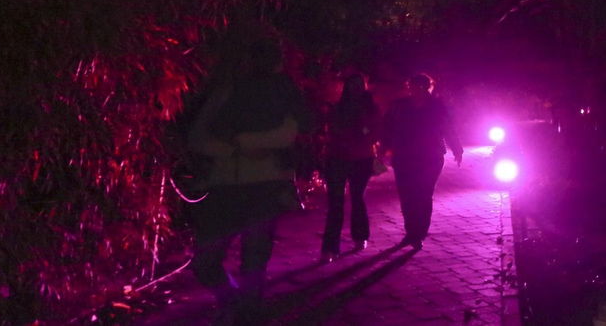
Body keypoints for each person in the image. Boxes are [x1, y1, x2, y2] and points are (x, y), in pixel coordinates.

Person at [188, 32, 315, 325]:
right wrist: (238, 146)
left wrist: (244, 142)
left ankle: (246, 314)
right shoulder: (225, 91)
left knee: (254, 263)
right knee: (206, 261)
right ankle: (235, 304)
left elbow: (294, 130)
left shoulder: (282, 89)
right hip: (224, 187)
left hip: (262, 186)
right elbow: (198, 137)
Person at [382, 73, 463, 250]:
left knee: (424, 194)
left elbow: (448, 128)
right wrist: (383, 149)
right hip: (404, 156)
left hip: (430, 156)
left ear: (428, 88)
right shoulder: (400, 106)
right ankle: (411, 231)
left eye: (421, 87)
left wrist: (457, 148)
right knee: (407, 195)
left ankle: (419, 233)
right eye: (413, 86)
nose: (416, 90)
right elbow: (387, 128)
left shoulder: (436, 106)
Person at [319, 73, 379, 262]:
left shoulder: (370, 108)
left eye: (359, 85)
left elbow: (374, 132)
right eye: (352, 85)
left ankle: (359, 236)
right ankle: (330, 247)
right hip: (338, 156)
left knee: (357, 197)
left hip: (360, 157)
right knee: (336, 202)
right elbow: (332, 130)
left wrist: (361, 133)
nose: (355, 89)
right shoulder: (339, 108)